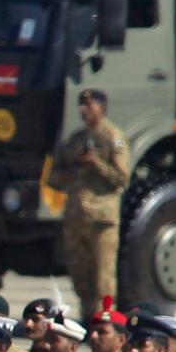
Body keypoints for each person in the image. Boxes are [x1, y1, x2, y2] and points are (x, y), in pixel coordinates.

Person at [46, 89, 132, 318]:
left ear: (101, 108)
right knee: (80, 274)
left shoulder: (114, 137)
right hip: (76, 217)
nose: (83, 110)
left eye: (89, 105)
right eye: (81, 106)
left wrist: (97, 163)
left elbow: (122, 178)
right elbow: (53, 178)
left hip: (102, 218)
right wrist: (71, 173)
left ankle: (105, 318)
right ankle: (86, 317)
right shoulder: (75, 140)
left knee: (104, 276)